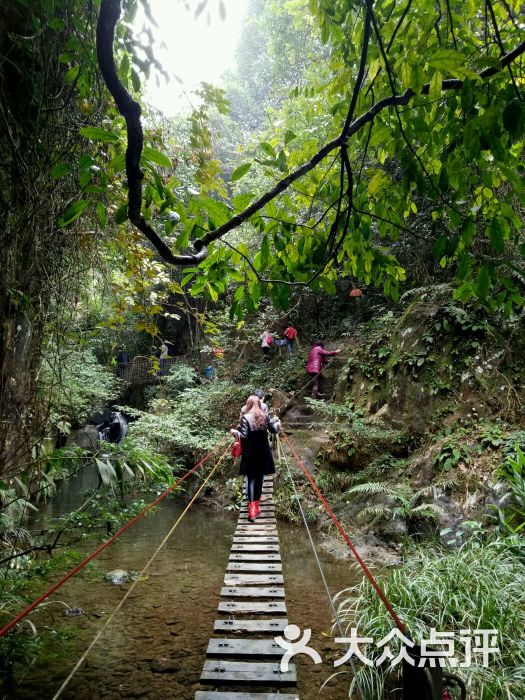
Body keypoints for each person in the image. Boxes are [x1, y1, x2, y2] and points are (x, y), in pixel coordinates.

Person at [231, 395, 281, 522]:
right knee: (259, 479)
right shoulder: (264, 416)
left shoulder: (245, 418)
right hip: (263, 453)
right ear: (259, 404)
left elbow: (244, 435)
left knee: (251, 479)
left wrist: (235, 433)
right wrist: (278, 424)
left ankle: (252, 510)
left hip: (250, 453)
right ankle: (256, 507)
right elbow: (274, 430)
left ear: (248, 405)